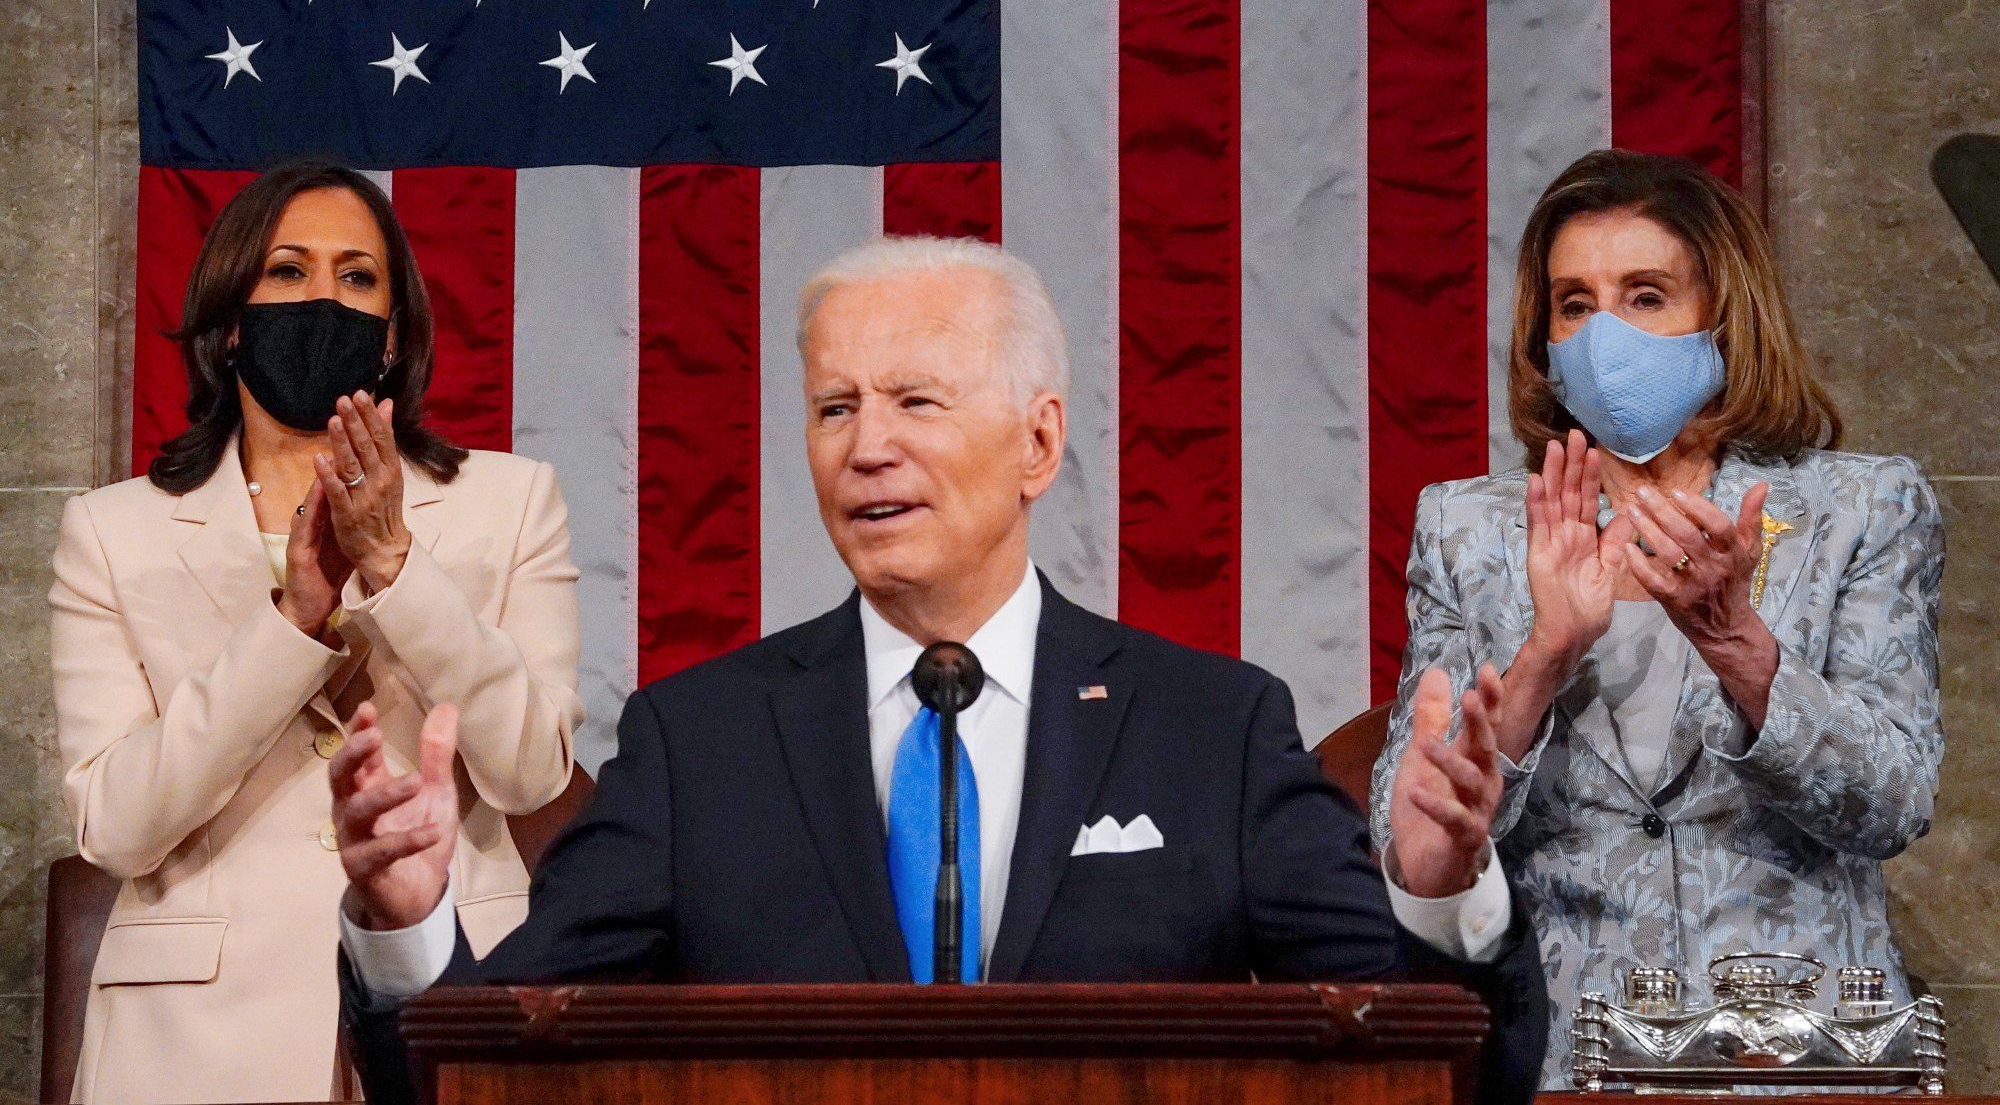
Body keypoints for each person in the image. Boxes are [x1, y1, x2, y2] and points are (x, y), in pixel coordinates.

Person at [333, 236, 1548, 1104]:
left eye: (916, 399)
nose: (868, 448)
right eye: (831, 409)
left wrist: (1441, 898)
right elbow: (479, 1069)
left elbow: (1445, 1070)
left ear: (1036, 442)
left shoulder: (1210, 728)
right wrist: (406, 925)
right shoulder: (694, 744)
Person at [1370, 149, 1943, 1088]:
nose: (1605, 336)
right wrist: (1543, 657)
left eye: (1645, 296)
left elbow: (1892, 802)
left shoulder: (1865, 508)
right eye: (1574, 305)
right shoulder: (1468, 529)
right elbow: (1410, 847)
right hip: (1562, 1061)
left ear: (1725, 317)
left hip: (1803, 1058)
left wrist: (1739, 648)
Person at [49, 161, 585, 1104]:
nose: (323, 298)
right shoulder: (110, 532)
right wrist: (294, 618)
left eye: (357, 277)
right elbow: (118, 828)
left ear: (388, 337)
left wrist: (395, 568)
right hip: (195, 1045)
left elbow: (532, 772)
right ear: (230, 322)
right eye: (288, 272)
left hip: (447, 1002)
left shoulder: (512, 502)